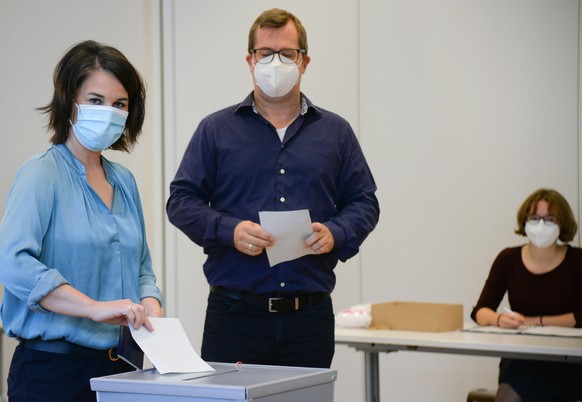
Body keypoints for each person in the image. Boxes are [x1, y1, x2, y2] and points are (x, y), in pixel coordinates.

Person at [166, 8, 379, 369]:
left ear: (304, 61)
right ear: (250, 61)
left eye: (287, 54)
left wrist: (337, 232)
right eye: (265, 53)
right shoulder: (215, 130)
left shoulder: (336, 133)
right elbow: (181, 202)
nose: (275, 63)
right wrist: (228, 230)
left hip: (309, 318)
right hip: (234, 315)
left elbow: (364, 202)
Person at [0, 40, 163, 402]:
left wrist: (151, 303)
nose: (109, 112)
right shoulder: (41, 173)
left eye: (119, 104)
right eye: (95, 101)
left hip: (120, 367)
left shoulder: (124, 181)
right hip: (52, 371)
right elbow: (13, 264)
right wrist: (93, 308)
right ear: (69, 102)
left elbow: (142, 270)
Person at [471, 188, 582, 402]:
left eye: (550, 219)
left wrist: (535, 322)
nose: (541, 225)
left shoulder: (577, 261)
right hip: (522, 356)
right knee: (520, 372)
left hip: (568, 360)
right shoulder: (508, 259)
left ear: (562, 224)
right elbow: (480, 311)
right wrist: (500, 320)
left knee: (522, 386)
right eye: (534, 218)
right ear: (525, 221)